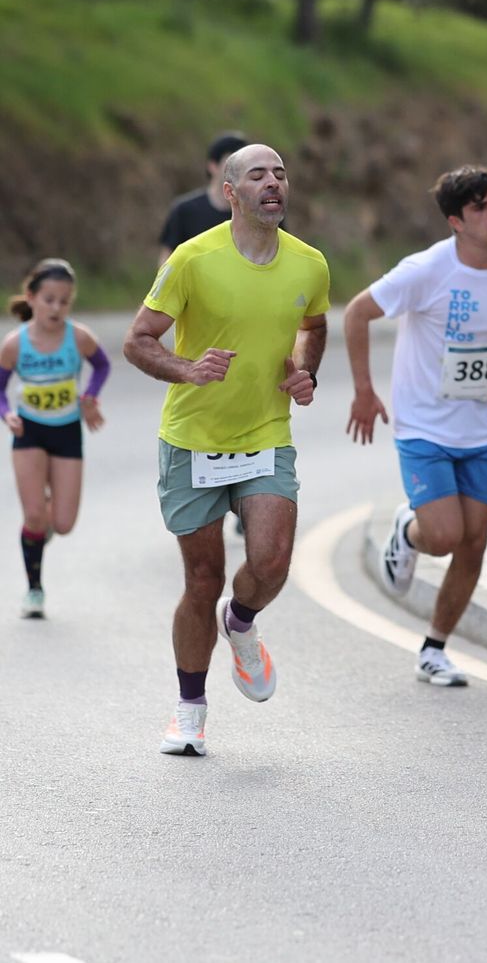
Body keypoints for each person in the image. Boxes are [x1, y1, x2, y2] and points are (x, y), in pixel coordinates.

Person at [124, 143, 329, 757]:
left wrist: (304, 372)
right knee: (202, 578)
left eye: (281, 174)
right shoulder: (193, 258)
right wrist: (188, 371)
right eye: (258, 175)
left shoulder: (309, 264)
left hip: (266, 433)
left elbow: (314, 327)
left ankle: (240, 623)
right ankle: (189, 711)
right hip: (193, 440)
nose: (274, 183)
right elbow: (138, 341)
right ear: (231, 192)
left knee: (271, 563)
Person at [345, 165, 487, 687]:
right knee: (443, 535)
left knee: (474, 542)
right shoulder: (425, 271)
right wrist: (364, 391)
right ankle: (408, 533)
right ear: (456, 220)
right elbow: (355, 313)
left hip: (482, 432)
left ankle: (435, 648)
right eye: (480, 207)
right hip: (423, 426)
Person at [0, 259, 111, 619]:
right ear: (31, 298)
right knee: (34, 516)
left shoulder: (77, 337)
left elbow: (103, 365)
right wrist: (7, 413)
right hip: (29, 431)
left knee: (61, 524)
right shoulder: (15, 344)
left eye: (64, 301)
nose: (56, 308)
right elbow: (0, 389)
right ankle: (34, 590)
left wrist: (90, 396)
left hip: (66, 432)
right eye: (49, 299)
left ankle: (44, 521)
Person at [158, 132, 249, 264]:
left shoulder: (259, 211)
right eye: (232, 163)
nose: (239, 170)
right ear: (213, 166)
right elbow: (167, 260)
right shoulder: (185, 210)